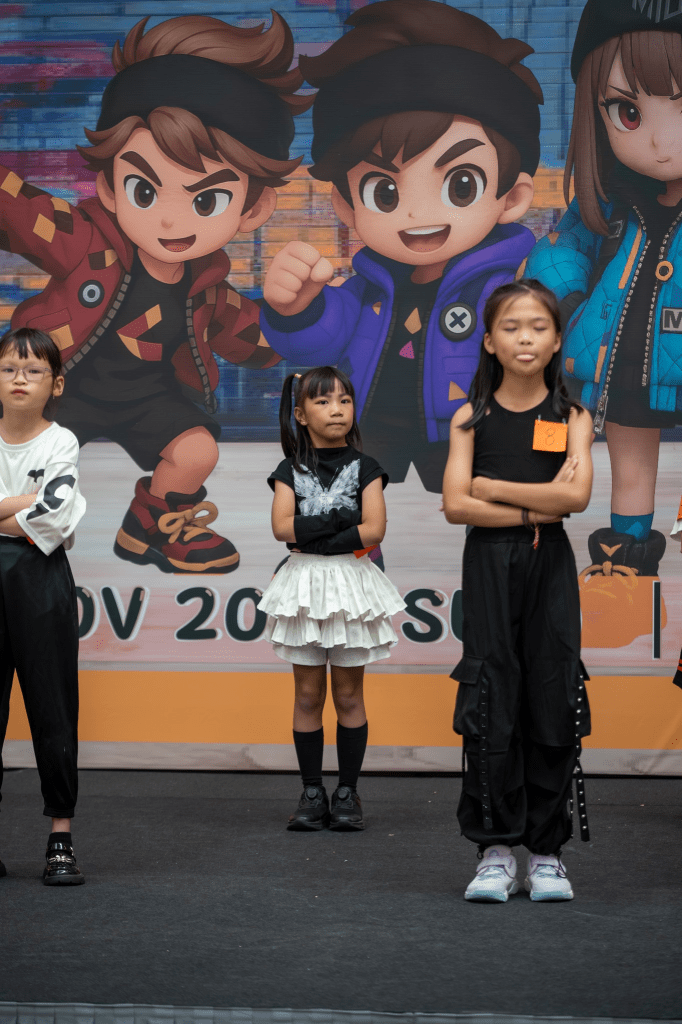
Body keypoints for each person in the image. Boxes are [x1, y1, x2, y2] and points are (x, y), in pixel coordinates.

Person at [0, 13, 311, 574]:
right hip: (62, 388)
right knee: (26, 454)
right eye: (144, 189)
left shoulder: (208, 288)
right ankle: (28, 523)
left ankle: (150, 527)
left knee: (197, 450)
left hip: (148, 399)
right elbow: (21, 210)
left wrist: (295, 314)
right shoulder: (85, 241)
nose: (171, 220)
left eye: (206, 200)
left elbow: (254, 341)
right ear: (109, 187)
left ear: (253, 208)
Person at [260, 0, 543, 567]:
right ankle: (351, 585)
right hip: (372, 424)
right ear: (347, 205)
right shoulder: (367, 286)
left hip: (465, 427)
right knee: (344, 517)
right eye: (384, 192)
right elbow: (321, 339)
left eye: (460, 184)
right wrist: (298, 308)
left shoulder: (507, 289)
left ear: (511, 197)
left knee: (498, 522)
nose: (416, 214)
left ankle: (501, 593)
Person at [526, 0, 682, 645]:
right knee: (630, 464)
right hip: (620, 364)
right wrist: (557, 302)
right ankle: (628, 573)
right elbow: (563, 254)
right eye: (628, 112)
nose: (660, 140)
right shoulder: (614, 203)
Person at [442, 280, 594, 902]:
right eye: (511, 327)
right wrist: (537, 506)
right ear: (489, 341)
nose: (525, 338)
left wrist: (493, 489)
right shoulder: (469, 417)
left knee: (552, 693)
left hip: (549, 563)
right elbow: (456, 505)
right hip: (488, 562)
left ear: (557, 341)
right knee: (490, 695)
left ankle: (548, 853)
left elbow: (575, 498)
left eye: (538, 327)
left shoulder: (573, 417)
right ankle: (495, 850)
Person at [259, 366, 404, 831]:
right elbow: (282, 528)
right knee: (307, 695)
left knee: (348, 694)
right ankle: (311, 791)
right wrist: (342, 521)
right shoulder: (288, 470)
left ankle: (347, 792)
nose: (336, 409)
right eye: (322, 401)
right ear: (301, 414)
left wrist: (313, 537)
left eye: (344, 400)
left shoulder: (367, 468)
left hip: (349, 585)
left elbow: (374, 530)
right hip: (303, 586)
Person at [0, 328, 86, 885]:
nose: (19, 379)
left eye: (33, 371)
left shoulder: (62, 442)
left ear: (55, 385)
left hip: (41, 580)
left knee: (53, 709)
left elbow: (54, 520)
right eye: (9, 369)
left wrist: (14, 513)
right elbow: (44, 512)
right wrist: (24, 505)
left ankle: (60, 836)